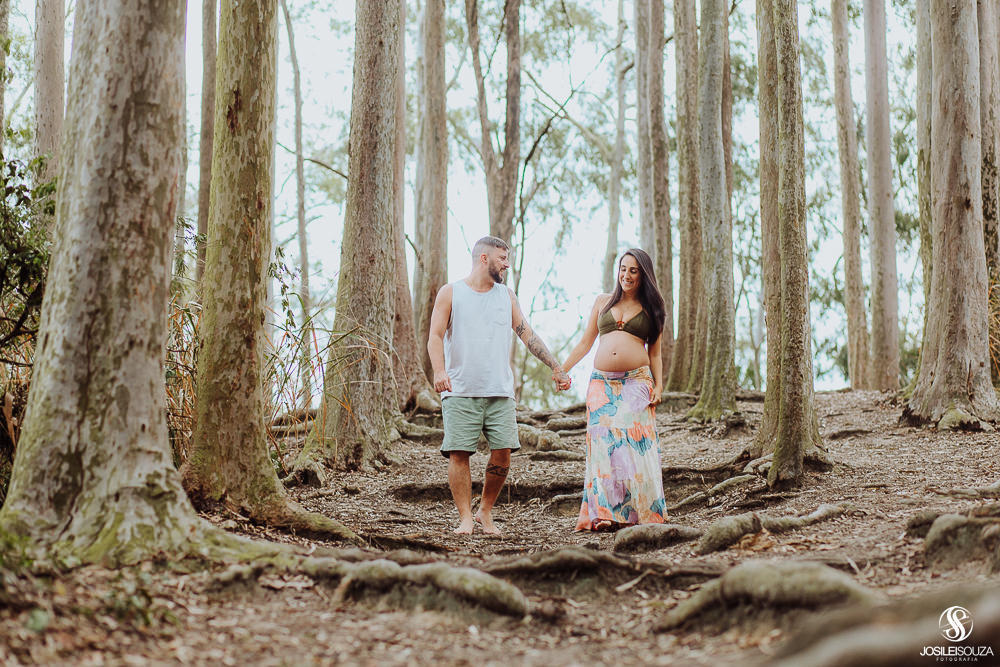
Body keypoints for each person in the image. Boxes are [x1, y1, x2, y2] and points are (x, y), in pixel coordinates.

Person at [427, 236, 571, 535]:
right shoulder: (451, 292)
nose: (506, 264)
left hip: (499, 391)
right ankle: (465, 517)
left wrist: (556, 366)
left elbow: (526, 334)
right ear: (484, 258)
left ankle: (485, 511)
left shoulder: (506, 296)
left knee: (503, 452)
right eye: (502, 258)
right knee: (459, 453)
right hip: (461, 389)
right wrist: (439, 370)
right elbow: (435, 336)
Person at [559, 248, 668, 531]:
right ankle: (605, 512)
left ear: (643, 275)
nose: (626, 275)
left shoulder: (652, 308)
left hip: (637, 382)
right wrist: (563, 368)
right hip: (601, 385)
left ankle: (642, 512)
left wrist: (659, 386)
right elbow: (585, 343)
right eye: (623, 269)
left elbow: (655, 354)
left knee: (636, 447)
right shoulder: (602, 302)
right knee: (604, 448)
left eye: (633, 271)